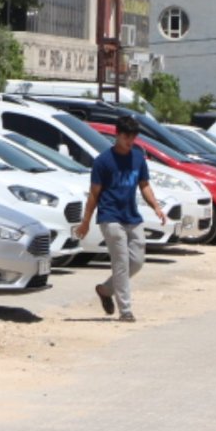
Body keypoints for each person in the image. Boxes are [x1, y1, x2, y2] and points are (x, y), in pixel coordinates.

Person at [75, 114, 166, 322]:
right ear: (117, 135)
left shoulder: (137, 158)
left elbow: (144, 185)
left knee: (137, 261)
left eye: (133, 138)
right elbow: (94, 193)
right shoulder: (103, 162)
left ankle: (106, 290)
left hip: (131, 215)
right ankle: (126, 311)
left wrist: (156, 207)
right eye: (126, 137)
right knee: (121, 262)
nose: (130, 142)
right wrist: (86, 222)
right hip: (110, 216)